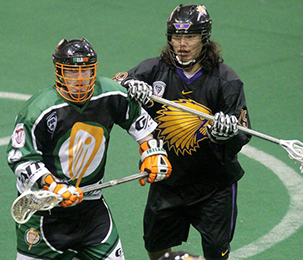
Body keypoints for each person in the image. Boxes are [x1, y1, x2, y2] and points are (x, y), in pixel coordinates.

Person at [7, 38, 172, 260]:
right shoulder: (38, 110)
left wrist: (152, 151)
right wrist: (54, 186)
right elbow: (21, 159)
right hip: (45, 212)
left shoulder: (109, 94)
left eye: (86, 71)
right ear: (59, 71)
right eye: (72, 72)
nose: (80, 79)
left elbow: (137, 120)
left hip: (92, 209)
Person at [112, 4, 251, 260]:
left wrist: (226, 133)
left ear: (204, 39)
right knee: (155, 249)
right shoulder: (153, 70)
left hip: (214, 187)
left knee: (216, 255)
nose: (182, 44)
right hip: (168, 180)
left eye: (190, 37)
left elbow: (243, 131)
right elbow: (113, 89)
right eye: (176, 36)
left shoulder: (226, 81)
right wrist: (128, 85)